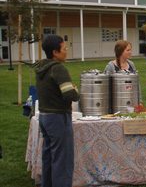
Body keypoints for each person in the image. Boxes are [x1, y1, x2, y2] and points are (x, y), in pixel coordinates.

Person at [34, 35, 80, 187]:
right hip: (58, 118)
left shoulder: (41, 68)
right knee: (62, 160)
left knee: (48, 157)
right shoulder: (58, 69)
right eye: (64, 49)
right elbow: (69, 94)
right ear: (55, 52)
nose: (66, 52)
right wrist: (75, 92)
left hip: (44, 117)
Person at [104, 40, 142, 105]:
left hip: (131, 101)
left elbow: (137, 84)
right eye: (128, 50)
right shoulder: (110, 66)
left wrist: (139, 101)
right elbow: (105, 88)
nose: (130, 52)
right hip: (117, 103)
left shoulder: (131, 64)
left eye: (130, 50)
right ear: (120, 51)